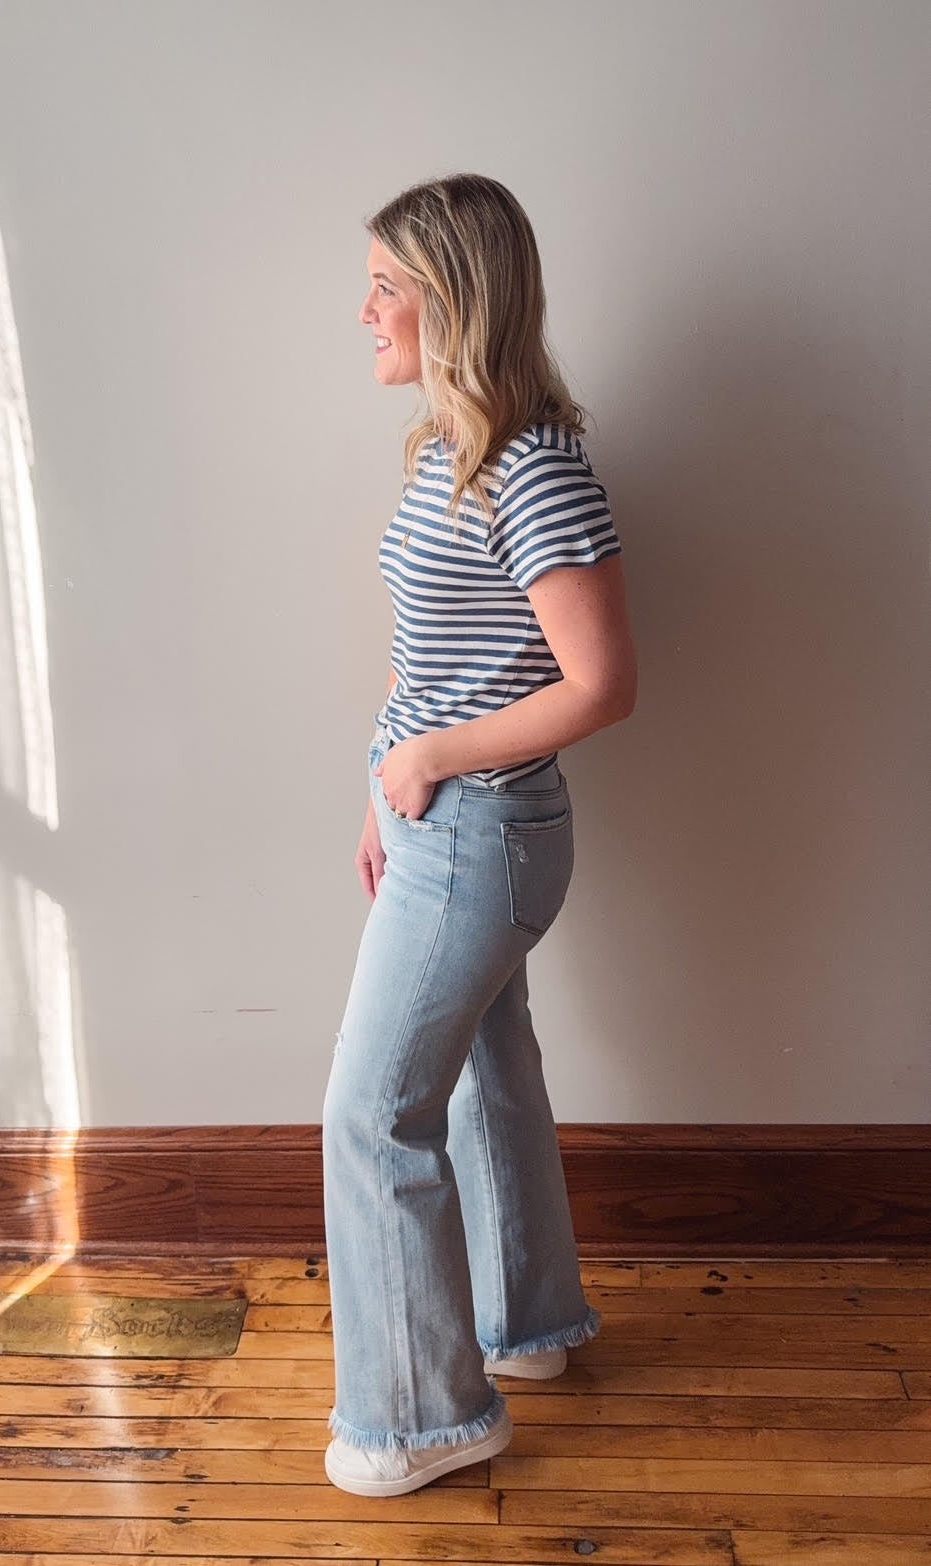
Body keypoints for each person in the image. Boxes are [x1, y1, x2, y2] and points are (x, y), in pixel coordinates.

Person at [322, 172, 638, 1498]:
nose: (364, 313)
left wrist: (431, 761)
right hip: (447, 822)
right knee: (481, 1074)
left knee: (369, 1114)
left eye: (388, 286)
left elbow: (600, 681)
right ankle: (525, 1328)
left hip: (488, 829)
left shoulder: (538, 471)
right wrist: (379, 779)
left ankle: (420, 1417)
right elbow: (436, 656)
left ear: (455, 298)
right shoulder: (452, 451)